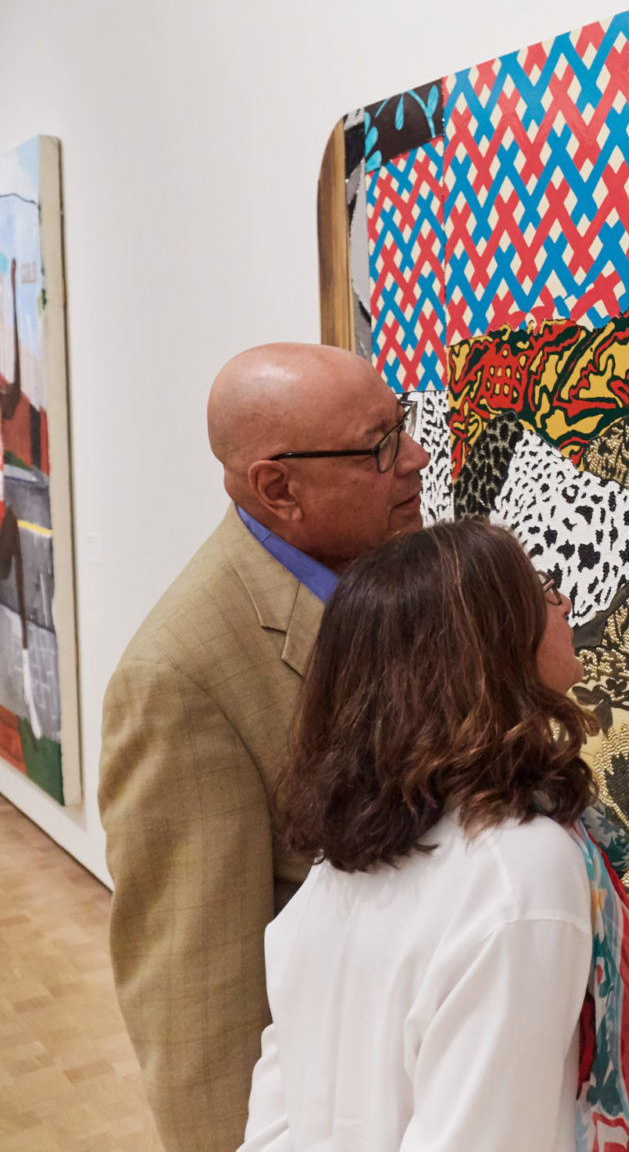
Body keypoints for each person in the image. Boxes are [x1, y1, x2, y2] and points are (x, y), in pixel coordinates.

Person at [240, 519, 629, 1152]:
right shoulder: (519, 873)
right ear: (492, 648)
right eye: (540, 589)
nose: (561, 601)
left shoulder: (344, 856)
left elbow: (274, 1123)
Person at [98, 343, 429, 1152]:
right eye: (379, 445)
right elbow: (198, 1008)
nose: (414, 458)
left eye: (404, 427)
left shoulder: (379, 570)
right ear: (278, 487)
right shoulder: (178, 680)